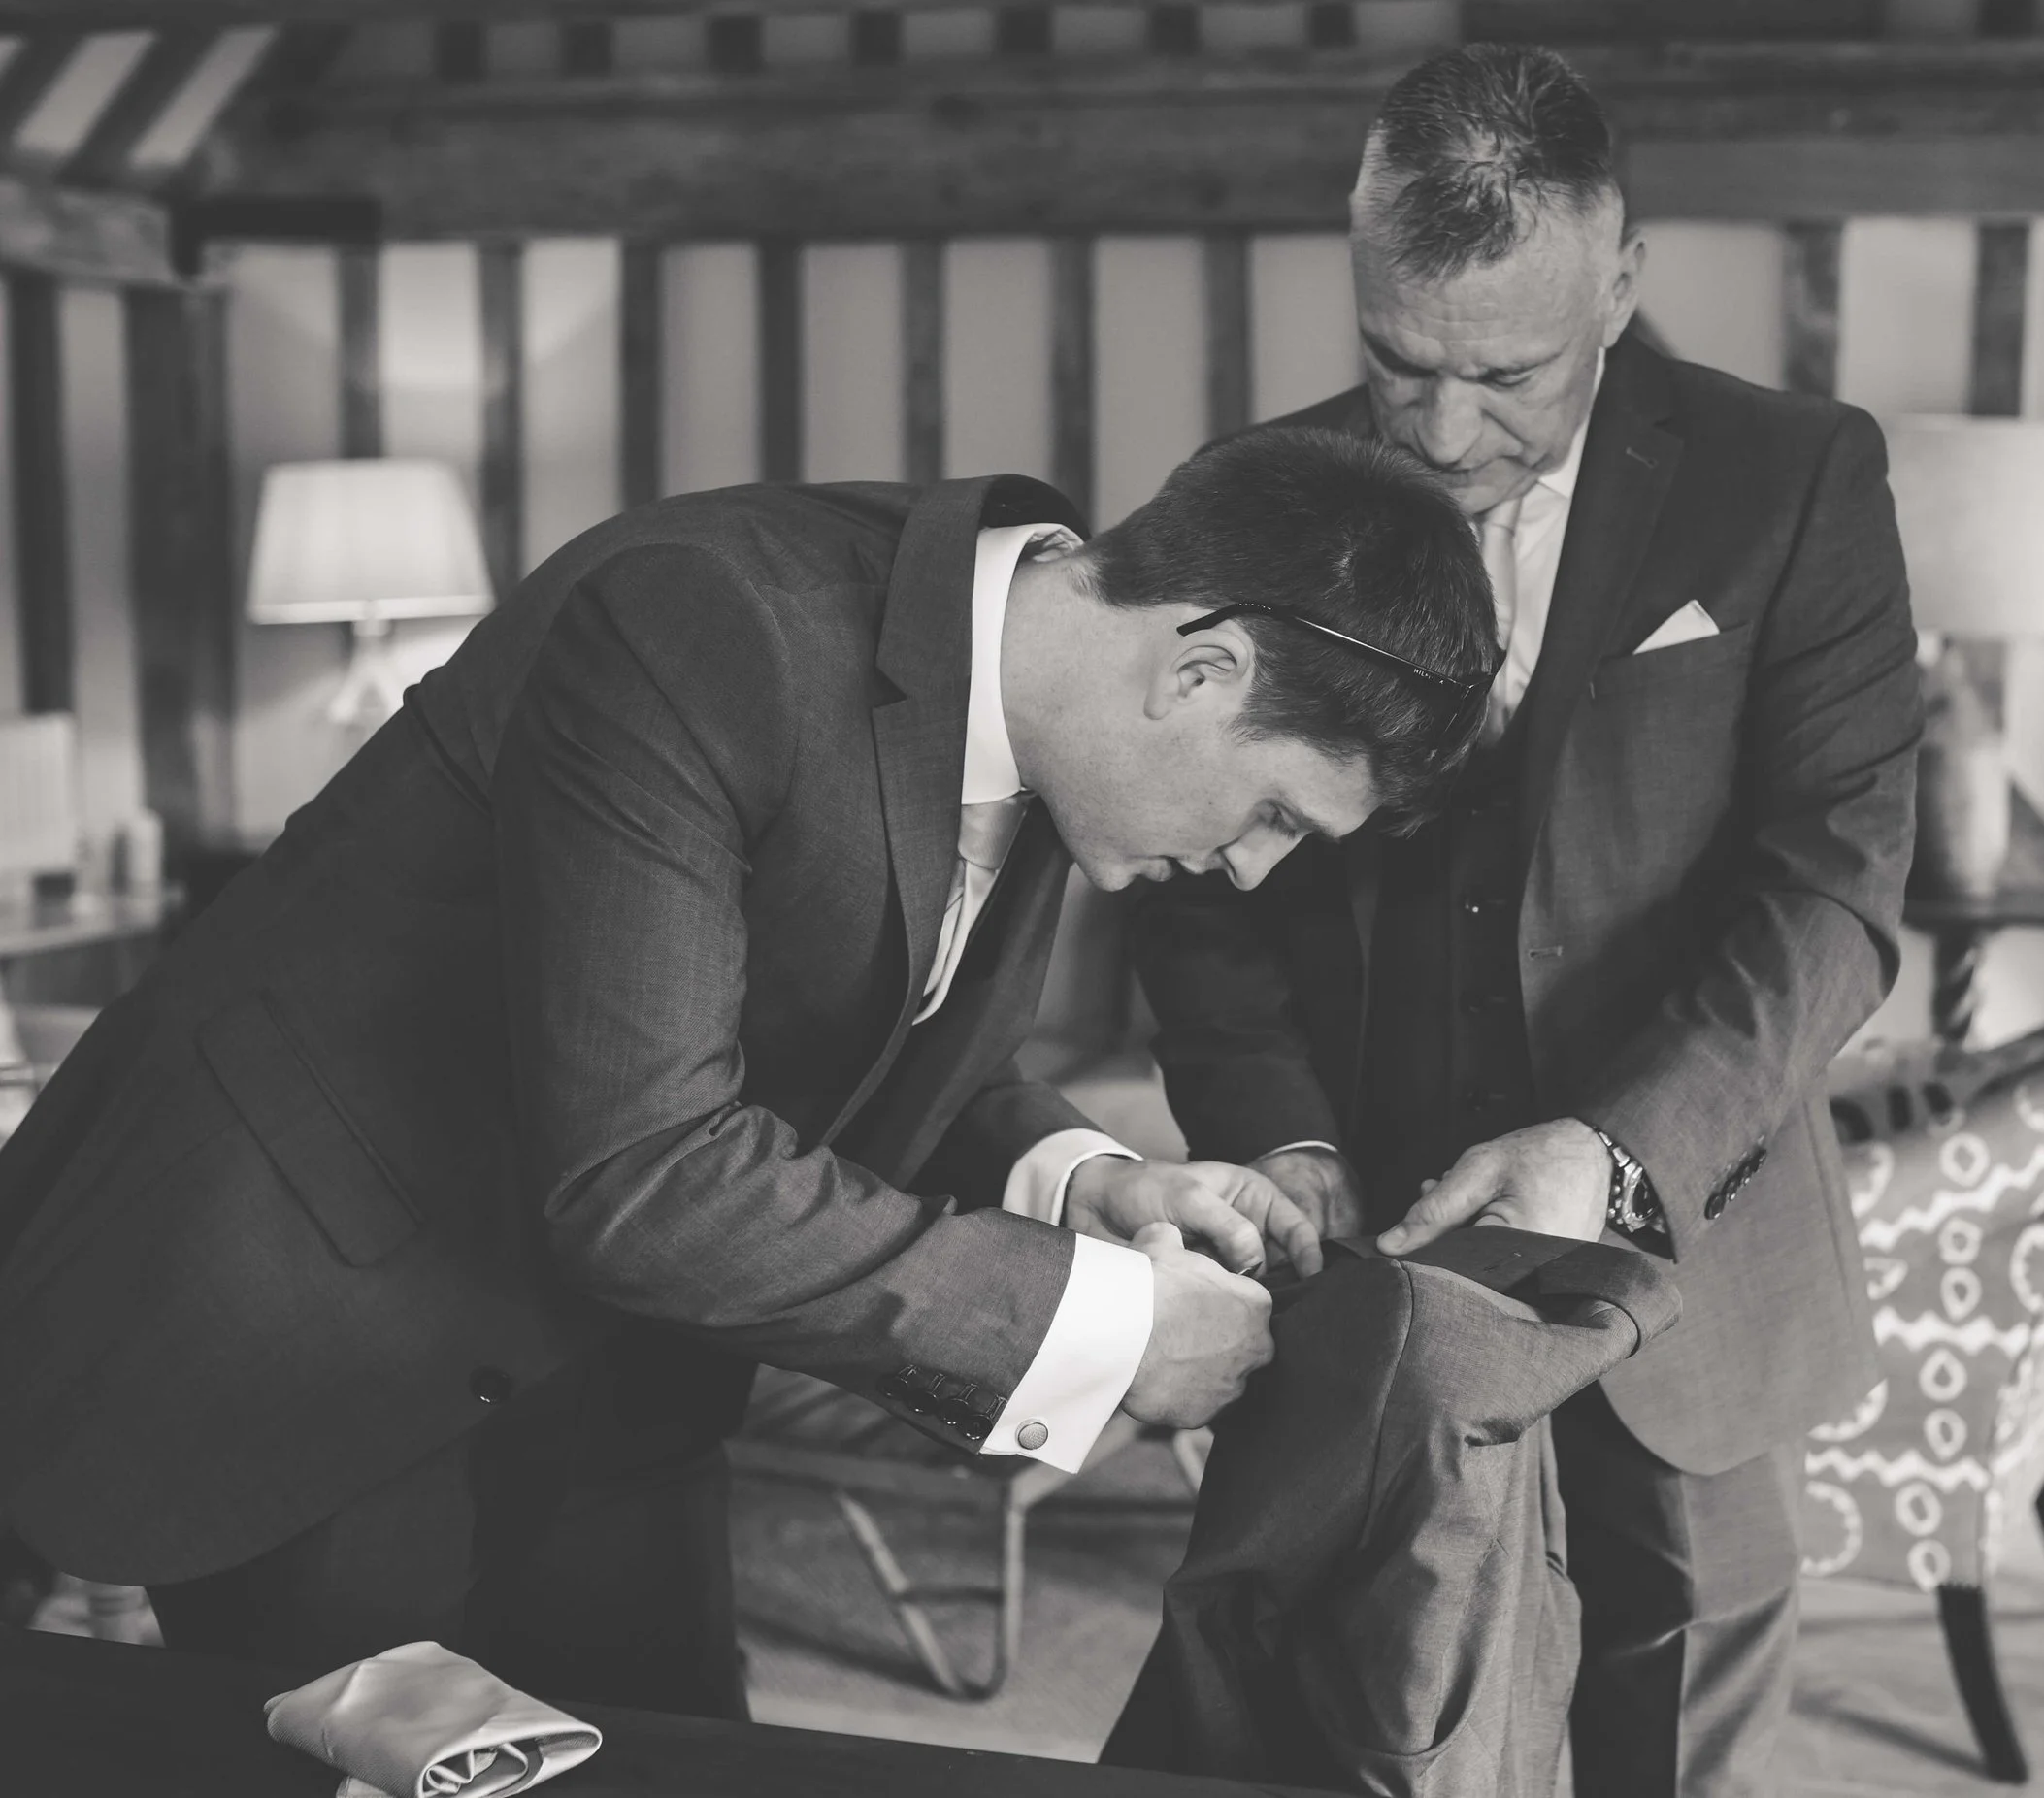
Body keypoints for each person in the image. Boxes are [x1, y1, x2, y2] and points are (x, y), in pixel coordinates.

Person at [0, 428, 1500, 1716]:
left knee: (683, 1749)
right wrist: (1107, 1328)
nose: (1248, 873)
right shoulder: (707, 621)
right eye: (1278, 815)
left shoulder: (1058, 739)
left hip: (619, 1361)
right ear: (1199, 668)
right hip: (319, 1315)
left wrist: (1090, 1178)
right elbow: (647, 1174)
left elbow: (873, 1049)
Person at [1131, 44, 1923, 1797]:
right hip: (1370, 1258)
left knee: (1679, 1691)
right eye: (1396, 362)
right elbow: (1192, 900)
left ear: (1622, 277)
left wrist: (1622, 1154)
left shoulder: (1790, 481)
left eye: (1507, 374)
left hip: (1678, 1245)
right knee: (1346, 1715)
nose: (1440, 430)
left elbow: (1835, 886)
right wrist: (1273, 1138)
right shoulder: (1255, 493)